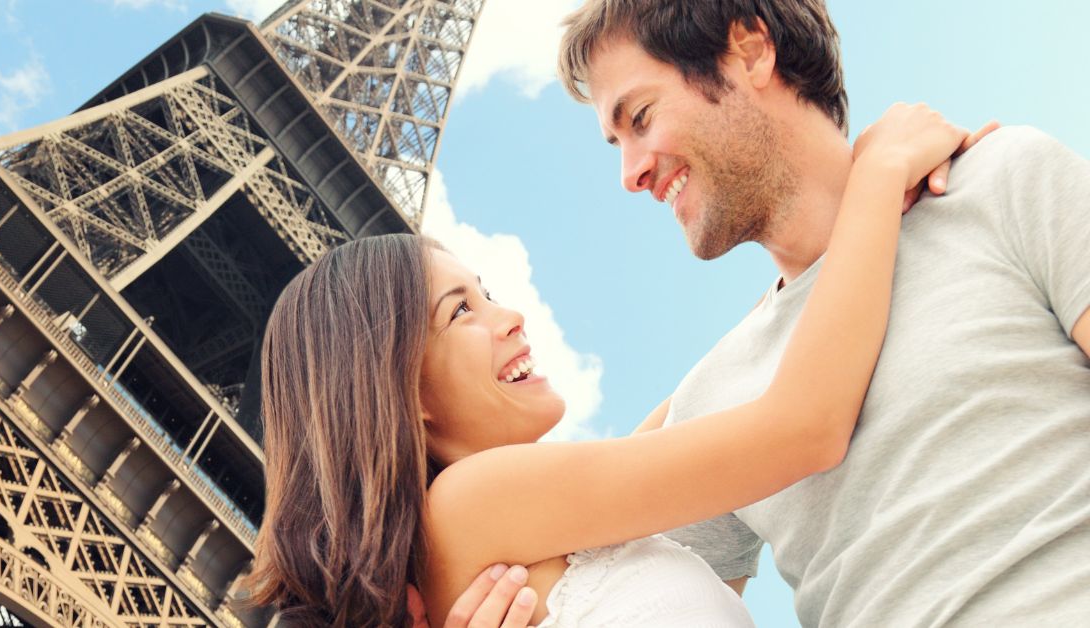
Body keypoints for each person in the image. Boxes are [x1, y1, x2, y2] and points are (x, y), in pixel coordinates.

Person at [445, 0, 1089, 625]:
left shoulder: (1001, 180)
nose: (630, 173)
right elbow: (658, 604)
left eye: (639, 116)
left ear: (750, 51)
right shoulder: (714, 396)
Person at [243, 96, 986, 624]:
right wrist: (878, 179)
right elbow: (805, 427)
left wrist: (803, 269)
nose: (510, 317)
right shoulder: (477, 500)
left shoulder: (529, 523)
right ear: (402, 396)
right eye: (460, 311)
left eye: (489, 291)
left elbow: (713, 389)